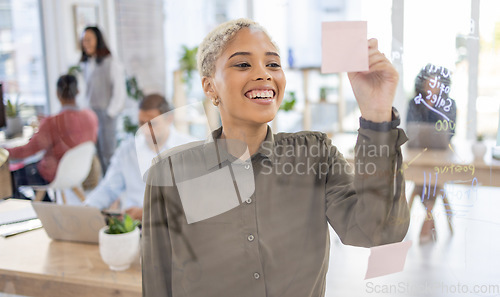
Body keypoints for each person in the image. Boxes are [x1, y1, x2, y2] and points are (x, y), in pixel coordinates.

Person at [142, 18, 410, 297]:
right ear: (210, 87)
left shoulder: (315, 155)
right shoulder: (170, 173)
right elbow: (157, 281)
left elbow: (378, 232)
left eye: (273, 64)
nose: (264, 74)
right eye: (243, 64)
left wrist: (376, 114)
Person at [84, 94, 196, 220]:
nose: (146, 130)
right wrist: (87, 208)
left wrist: (147, 213)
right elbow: (108, 188)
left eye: (152, 124)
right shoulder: (127, 151)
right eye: (141, 123)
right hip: (133, 227)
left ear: (169, 119)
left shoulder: (190, 149)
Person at [5, 74, 98, 200]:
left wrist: (3, 152)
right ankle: (46, 204)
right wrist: (47, 123)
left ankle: (39, 207)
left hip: (52, 174)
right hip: (79, 172)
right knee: (32, 168)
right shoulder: (90, 116)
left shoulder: (52, 123)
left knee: (7, 178)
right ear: (78, 91)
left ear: (57, 94)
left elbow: (26, 151)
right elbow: (72, 130)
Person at [406, 64, 457, 243]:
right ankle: (429, 218)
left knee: (430, 177)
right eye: (429, 82)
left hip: (441, 155)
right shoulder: (414, 103)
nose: (432, 86)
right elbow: (410, 129)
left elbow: (450, 133)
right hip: (418, 153)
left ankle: (428, 219)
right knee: (426, 176)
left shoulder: (448, 105)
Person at [80, 26, 126, 174]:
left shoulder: (111, 63)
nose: (85, 43)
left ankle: (115, 191)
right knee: (99, 154)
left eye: (89, 40)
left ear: (98, 41)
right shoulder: (86, 64)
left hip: (106, 114)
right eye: (83, 40)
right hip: (91, 115)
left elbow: (119, 92)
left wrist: (110, 113)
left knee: (109, 154)